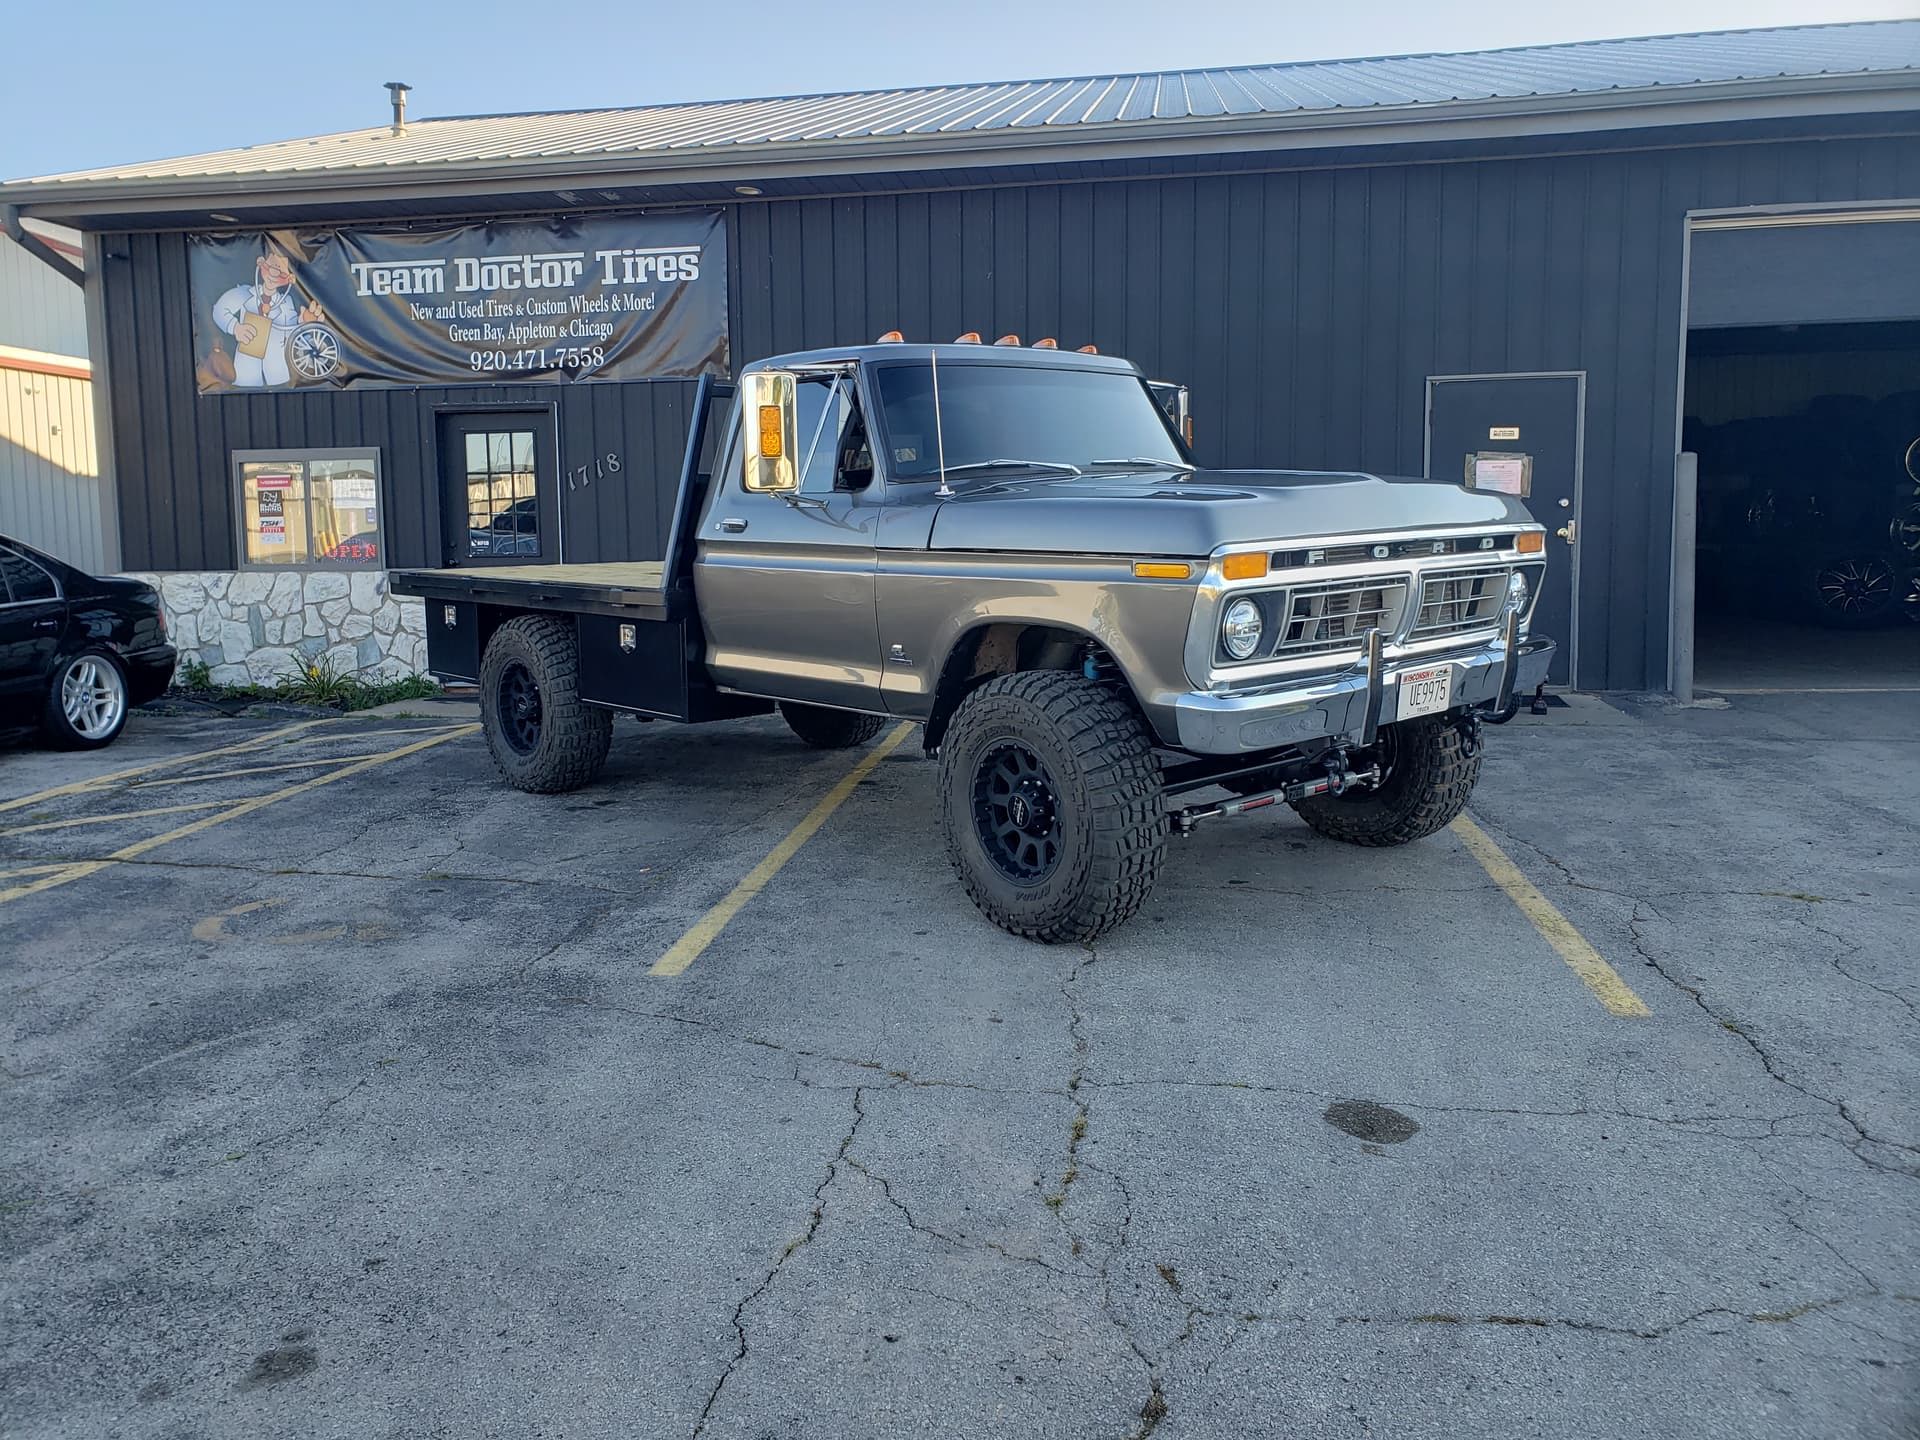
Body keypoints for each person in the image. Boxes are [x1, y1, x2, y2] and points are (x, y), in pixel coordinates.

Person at [211, 245, 322, 387]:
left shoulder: (286, 303)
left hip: (278, 377)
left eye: (281, 273)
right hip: (246, 374)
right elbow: (219, 309)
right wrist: (235, 327)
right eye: (270, 268)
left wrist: (306, 324)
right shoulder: (244, 293)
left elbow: (292, 336)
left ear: (289, 278)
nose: (274, 275)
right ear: (260, 264)